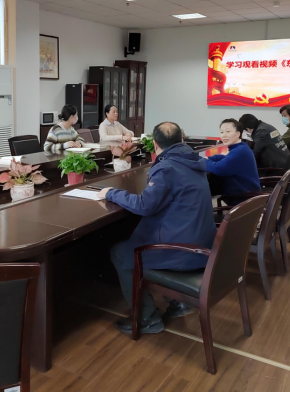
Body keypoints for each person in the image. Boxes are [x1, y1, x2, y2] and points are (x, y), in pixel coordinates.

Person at [98, 122, 217, 335]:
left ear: (154, 144)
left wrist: (111, 193)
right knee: (135, 236)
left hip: (184, 251)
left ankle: (147, 318)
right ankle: (177, 301)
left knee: (121, 252)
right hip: (202, 243)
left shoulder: (167, 168)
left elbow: (145, 205)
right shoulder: (193, 161)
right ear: (181, 140)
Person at [206, 119, 261, 203]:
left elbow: (219, 169)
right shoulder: (241, 147)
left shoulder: (239, 151)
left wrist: (203, 162)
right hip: (246, 193)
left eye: (228, 131)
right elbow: (227, 158)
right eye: (222, 132)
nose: (224, 135)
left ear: (238, 134)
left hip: (243, 198)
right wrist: (211, 158)